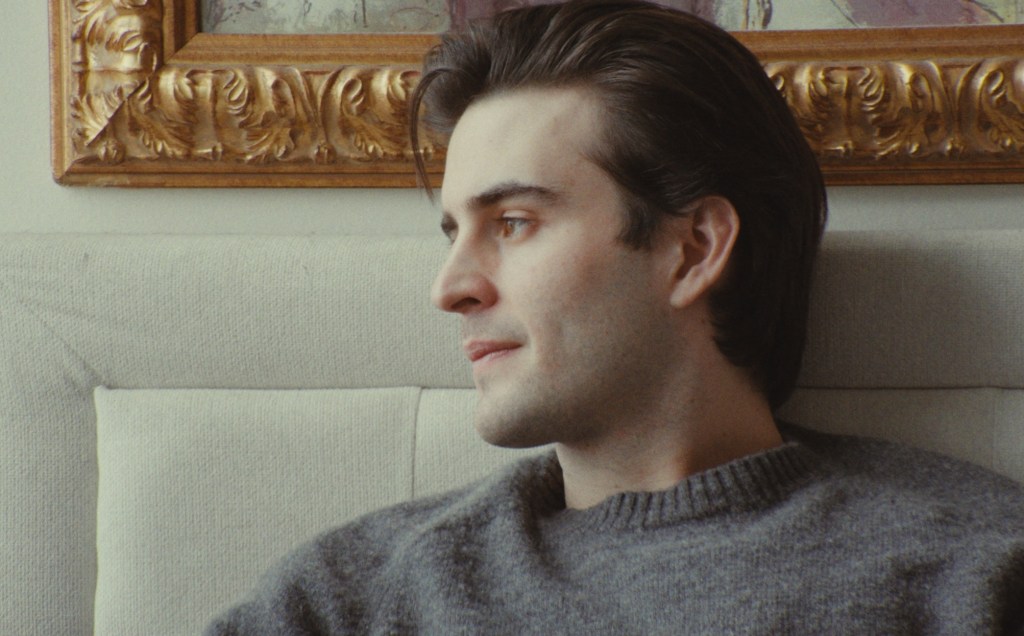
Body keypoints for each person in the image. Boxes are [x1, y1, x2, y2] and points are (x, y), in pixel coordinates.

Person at [206, 1, 1024, 633]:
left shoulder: (974, 568)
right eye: (455, 233)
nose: (449, 289)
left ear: (693, 249)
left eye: (513, 223)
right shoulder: (350, 597)